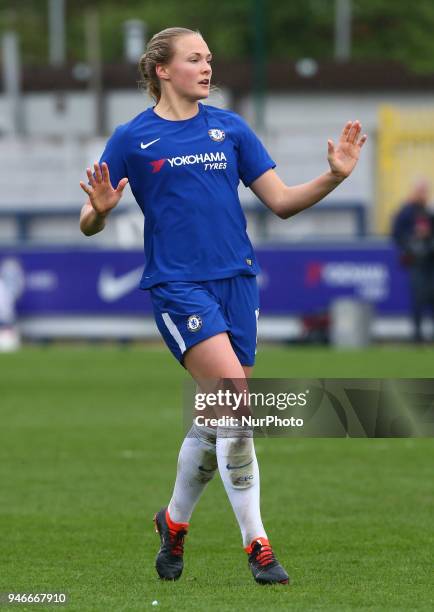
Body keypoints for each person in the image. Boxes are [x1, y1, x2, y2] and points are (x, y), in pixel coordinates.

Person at [79, 27, 367, 585]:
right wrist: (101, 212)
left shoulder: (230, 128)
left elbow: (281, 202)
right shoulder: (132, 138)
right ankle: (257, 544)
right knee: (238, 409)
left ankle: (174, 523)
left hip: (238, 285)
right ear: (162, 70)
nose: (207, 68)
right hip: (178, 288)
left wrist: (334, 176)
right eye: (194, 59)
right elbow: (90, 221)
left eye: (209, 58)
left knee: (219, 422)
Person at [392, 179, 434, 343]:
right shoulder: (406, 212)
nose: (423, 194)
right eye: (420, 190)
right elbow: (397, 235)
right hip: (416, 262)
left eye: (425, 190)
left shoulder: (429, 212)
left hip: (431, 261)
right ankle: (417, 336)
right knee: (418, 298)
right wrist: (412, 243)